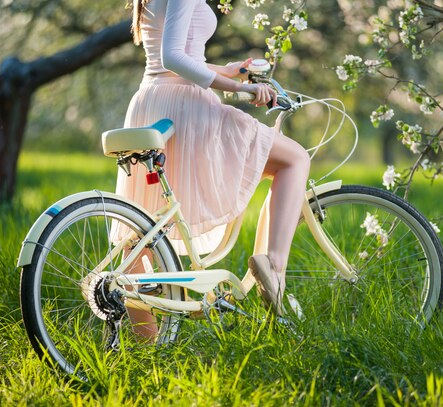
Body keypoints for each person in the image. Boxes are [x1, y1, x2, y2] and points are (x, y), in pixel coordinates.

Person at [120, 0, 310, 337]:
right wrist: (242, 88)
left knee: (143, 227)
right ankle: (274, 269)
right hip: (184, 105)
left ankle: (146, 354)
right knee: (294, 159)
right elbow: (173, 59)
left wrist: (227, 70)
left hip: (153, 100)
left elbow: (176, 59)